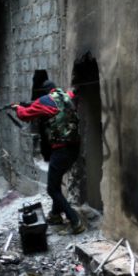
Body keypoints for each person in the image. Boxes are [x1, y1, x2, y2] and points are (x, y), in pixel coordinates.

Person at [11, 79, 85, 234]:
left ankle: (75, 221)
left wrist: (18, 108)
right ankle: (55, 215)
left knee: (52, 189)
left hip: (61, 150)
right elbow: (73, 93)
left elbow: (24, 115)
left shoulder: (44, 101)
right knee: (56, 183)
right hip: (74, 148)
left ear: (45, 91)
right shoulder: (66, 96)